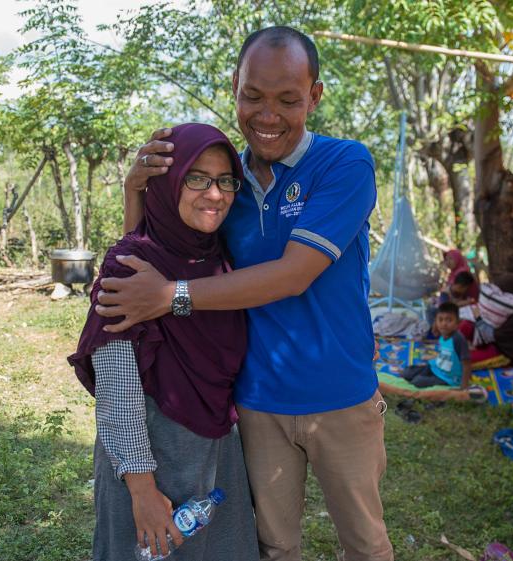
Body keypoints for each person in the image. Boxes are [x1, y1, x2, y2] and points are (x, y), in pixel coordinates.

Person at [94, 27, 393, 561]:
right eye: (253, 95)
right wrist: (136, 192)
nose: (268, 115)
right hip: (256, 402)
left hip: (341, 397)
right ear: (234, 86)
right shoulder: (222, 176)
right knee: (275, 546)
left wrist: (170, 296)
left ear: (315, 96)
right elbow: (162, 247)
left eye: (288, 99)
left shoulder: (344, 165)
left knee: (366, 545)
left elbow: (294, 273)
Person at [68, 124, 259, 561]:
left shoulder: (218, 260)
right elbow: (117, 391)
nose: (215, 194)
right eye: (197, 178)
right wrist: (142, 490)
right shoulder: (131, 265)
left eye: (225, 180)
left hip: (216, 450)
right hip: (152, 456)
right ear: (168, 183)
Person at [402, 302, 472, 389]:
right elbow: (446, 353)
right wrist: (433, 358)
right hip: (436, 367)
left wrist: (464, 386)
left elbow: (467, 363)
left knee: (417, 382)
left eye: (449, 320)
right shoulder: (444, 334)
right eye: (440, 320)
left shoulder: (458, 339)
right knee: (407, 372)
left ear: (457, 323)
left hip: (447, 378)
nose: (444, 324)